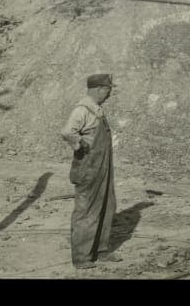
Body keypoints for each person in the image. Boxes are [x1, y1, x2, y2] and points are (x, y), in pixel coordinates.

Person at [60, 73, 120, 270]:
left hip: (102, 168)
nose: (109, 94)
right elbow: (68, 131)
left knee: (107, 206)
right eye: (108, 90)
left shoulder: (97, 109)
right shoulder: (82, 110)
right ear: (99, 89)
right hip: (88, 169)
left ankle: (101, 250)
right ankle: (81, 257)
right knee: (87, 211)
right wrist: (79, 146)